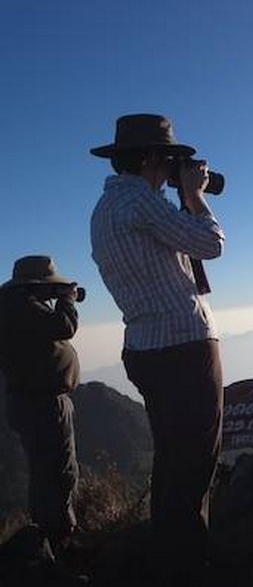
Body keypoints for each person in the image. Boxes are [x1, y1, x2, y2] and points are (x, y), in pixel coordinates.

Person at [89, 114, 225, 581]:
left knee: (172, 458)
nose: (172, 168)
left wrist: (179, 193)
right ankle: (186, 566)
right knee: (193, 464)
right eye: (169, 159)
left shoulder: (106, 208)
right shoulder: (141, 204)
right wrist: (196, 195)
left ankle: (167, 554)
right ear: (151, 158)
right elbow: (210, 245)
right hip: (182, 346)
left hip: (145, 348)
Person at [0, 255, 81, 548]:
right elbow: (64, 326)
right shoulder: (20, 307)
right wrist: (67, 300)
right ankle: (59, 540)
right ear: (32, 285)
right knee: (59, 470)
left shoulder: (14, 307)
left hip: (28, 401)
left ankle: (48, 537)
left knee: (45, 469)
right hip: (43, 403)